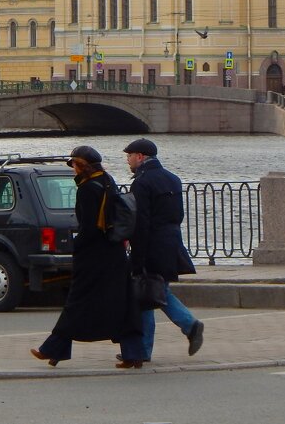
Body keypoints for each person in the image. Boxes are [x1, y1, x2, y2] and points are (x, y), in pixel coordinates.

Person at [31, 145, 140, 367]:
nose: (72, 170)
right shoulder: (107, 180)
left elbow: (89, 228)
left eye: (73, 165)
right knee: (121, 304)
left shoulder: (88, 188)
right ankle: (133, 354)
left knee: (77, 302)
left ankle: (54, 349)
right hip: (114, 252)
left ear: (81, 166)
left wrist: (76, 246)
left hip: (94, 256)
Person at [117, 137, 203, 368]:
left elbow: (141, 221)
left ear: (141, 157)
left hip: (151, 244)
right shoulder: (173, 179)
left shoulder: (142, 183)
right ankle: (143, 348)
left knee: (147, 293)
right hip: (172, 241)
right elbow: (179, 215)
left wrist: (137, 254)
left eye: (129, 156)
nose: (127, 160)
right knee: (153, 291)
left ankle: (188, 325)